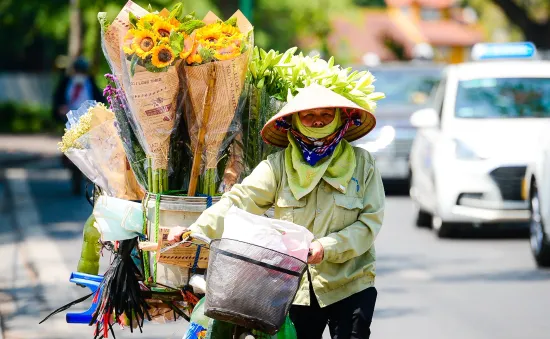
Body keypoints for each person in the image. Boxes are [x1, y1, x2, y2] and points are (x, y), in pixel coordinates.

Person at [169, 84, 385, 339]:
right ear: (295, 121)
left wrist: (327, 247)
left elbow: (369, 224)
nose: (318, 122)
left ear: (339, 118)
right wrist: (194, 230)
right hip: (295, 288)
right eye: (309, 116)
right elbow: (238, 201)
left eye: (326, 115)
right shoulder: (277, 166)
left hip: (351, 283)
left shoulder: (363, 164)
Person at [52, 56, 104, 195]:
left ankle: (87, 172)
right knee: (69, 149)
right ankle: (69, 165)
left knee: (89, 150)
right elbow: (57, 99)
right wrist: (60, 108)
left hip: (87, 122)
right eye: (78, 71)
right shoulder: (66, 82)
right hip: (69, 121)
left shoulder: (90, 84)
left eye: (83, 71)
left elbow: (100, 100)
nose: (80, 75)